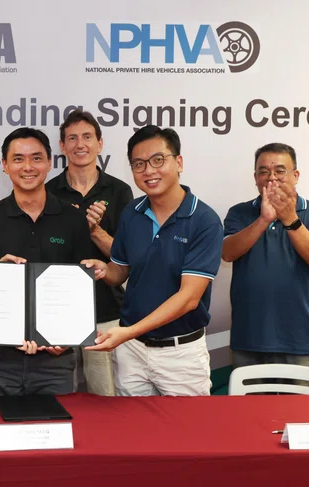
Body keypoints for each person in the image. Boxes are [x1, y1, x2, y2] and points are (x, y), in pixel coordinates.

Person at [84, 126, 223, 397]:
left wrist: (127, 332)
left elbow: (189, 299)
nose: (148, 170)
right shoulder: (131, 213)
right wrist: (104, 270)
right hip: (132, 352)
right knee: (133, 434)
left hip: (180, 354)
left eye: (158, 160)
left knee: (186, 435)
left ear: (179, 162)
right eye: (139, 164)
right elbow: (120, 272)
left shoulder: (203, 220)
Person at [0, 127, 93, 398]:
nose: (28, 167)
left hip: (55, 362)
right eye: (18, 159)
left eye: (36, 158)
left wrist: (66, 341)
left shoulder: (73, 220)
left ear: (49, 163)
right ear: (5, 165)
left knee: (55, 435)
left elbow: (80, 291)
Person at [221, 143, 309, 382]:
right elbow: (227, 253)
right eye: (263, 172)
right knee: (251, 418)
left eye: (280, 171)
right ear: (255, 178)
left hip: (300, 342)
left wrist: (289, 218)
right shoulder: (239, 213)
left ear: (295, 176)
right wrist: (263, 220)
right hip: (248, 341)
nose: (271, 178)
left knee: (303, 418)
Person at [45, 110, 133, 396]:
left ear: (100, 143)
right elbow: (45, 251)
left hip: (107, 310)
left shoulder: (119, 191)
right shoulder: (48, 193)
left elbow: (127, 258)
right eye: (72, 138)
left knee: (105, 398)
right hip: (60, 309)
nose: (79, 144)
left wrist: (94, 230)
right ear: (62, 146)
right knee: (60, 396)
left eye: (87, 137)